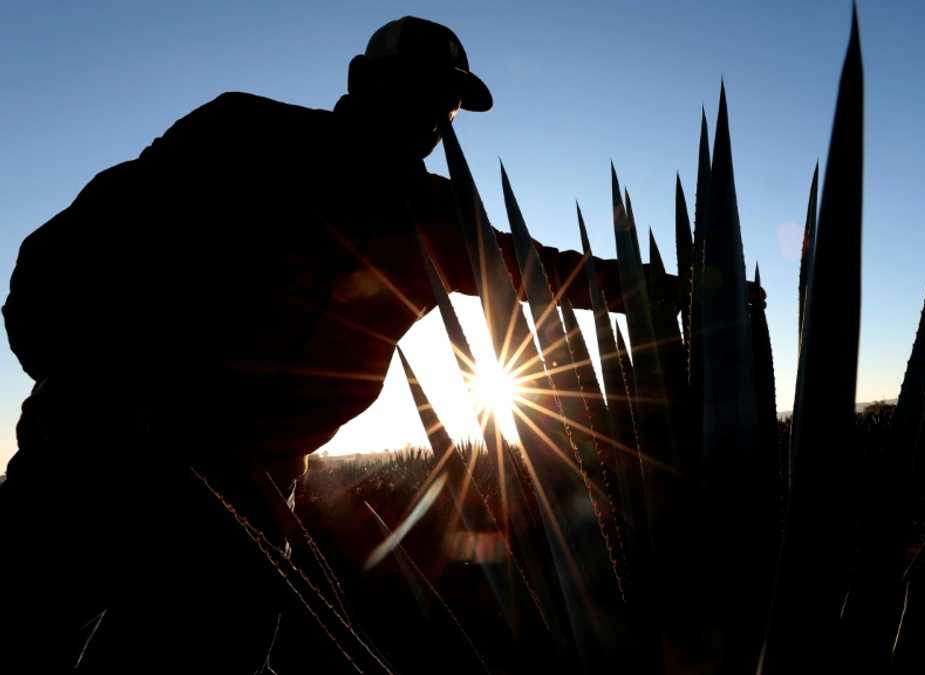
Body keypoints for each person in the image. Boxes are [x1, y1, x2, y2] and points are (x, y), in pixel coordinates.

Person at [0, 17, 654, 672]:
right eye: (417, 88)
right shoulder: (243, 133)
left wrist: (687, 286)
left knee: (209, 656)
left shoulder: (435, 215)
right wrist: (94, 393)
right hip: (93, 454)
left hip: (246, 494)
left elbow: (545, 271)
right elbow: (62, 257)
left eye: (447, 101)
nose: (432, 114)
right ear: (364, 81)